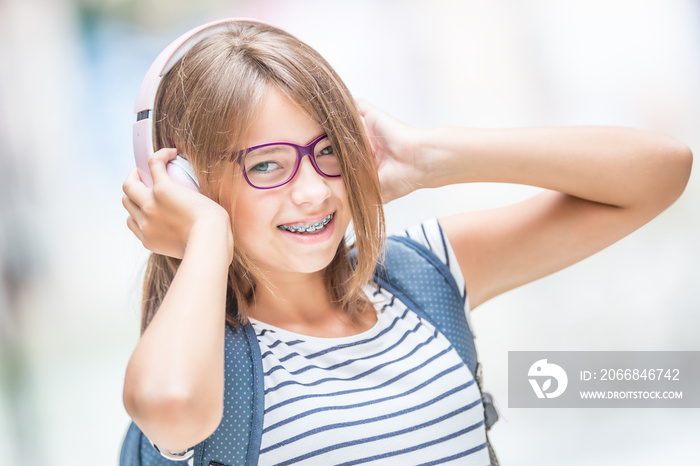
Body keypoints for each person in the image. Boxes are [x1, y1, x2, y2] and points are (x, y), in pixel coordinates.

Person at [120, 19, 692, 465]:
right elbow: (169, 405)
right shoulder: (204, 362)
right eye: (267, 165)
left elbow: (660, 171)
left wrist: (430, 158)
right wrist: (205, 235)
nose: (314, 191)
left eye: (327, 151)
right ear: (186, 184)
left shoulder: (420, 275)